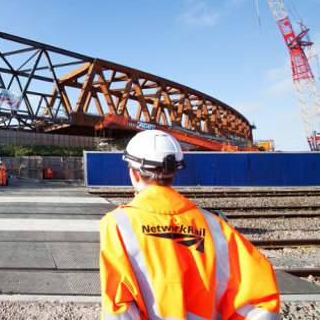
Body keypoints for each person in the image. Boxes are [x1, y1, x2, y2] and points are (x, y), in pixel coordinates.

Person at [100, 130, 279, 320]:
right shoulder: (213, 225)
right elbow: (261, 300)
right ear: (174, 173)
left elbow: (119, 306)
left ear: (134, 173)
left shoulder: (118, 225)